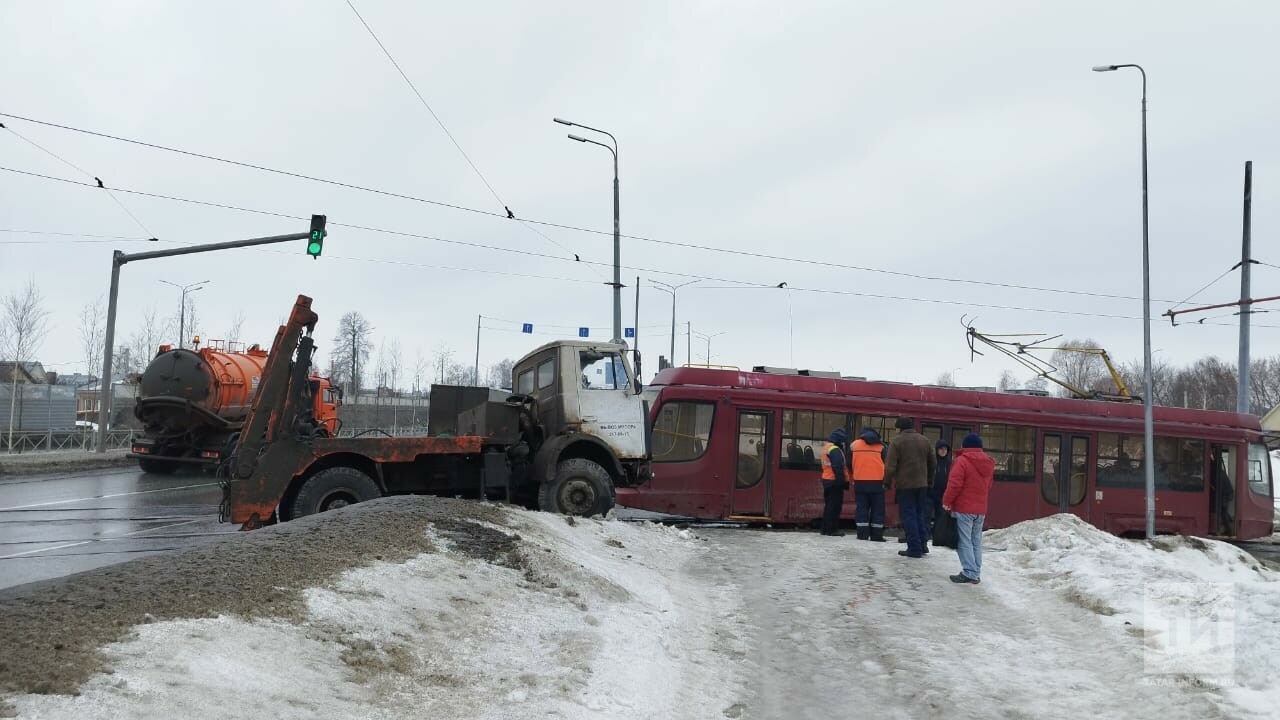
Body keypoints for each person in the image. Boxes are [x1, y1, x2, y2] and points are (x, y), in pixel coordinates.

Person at [943, 433, 996, 584]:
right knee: (976, 540)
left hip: (963, 508)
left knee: (964, 540)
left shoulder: (961, 461)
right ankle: (975, 572)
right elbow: (989, 486)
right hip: (980, 509)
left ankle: (969, 572)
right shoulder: (989, 462)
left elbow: (954, 484)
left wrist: (946, 501)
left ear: (965, 446)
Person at [883, 417, 935, 558]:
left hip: (905, 485)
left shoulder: (897, 441)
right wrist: (929, 480)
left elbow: (890, 466)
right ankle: (923, 544)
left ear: (900, 428)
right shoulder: (925, 440)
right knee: (920, 514)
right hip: (922, 485)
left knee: (909, 516)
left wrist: (886, 482)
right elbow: (932, 463)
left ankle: (914, 547)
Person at [850, 427, 888, 541]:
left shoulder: (854, 445)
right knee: (878, 509)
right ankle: (876, 535)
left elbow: (848, 463)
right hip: (878, 483)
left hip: (860, 482)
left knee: (861, 508)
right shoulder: (882, 447)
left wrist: (855, 473)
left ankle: (862, 535)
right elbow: (888, 463)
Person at [818, 428, 850, 537]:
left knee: (828, 506)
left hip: (827, 479)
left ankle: (825, 529)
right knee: (835, 506)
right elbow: (838, 467)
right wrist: (842, 482)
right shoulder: (834, 449)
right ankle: (832, 530)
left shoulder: (826, 447)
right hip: (834, 481)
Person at [929, 440, 954, 546]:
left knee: (941, 516)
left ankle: (938, 537)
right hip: (930, 493)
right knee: (926, 515)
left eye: (945, 449)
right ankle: (925, 536)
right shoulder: (932, 461)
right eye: (941, 449)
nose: (943, 451)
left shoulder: (950, 463)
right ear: (937, 450)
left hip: (943, 494)